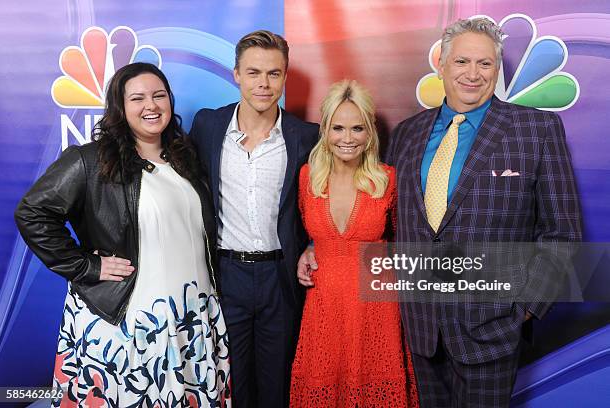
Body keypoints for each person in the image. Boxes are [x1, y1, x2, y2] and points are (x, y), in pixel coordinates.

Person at [384, 18, 582, 407]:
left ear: (497, 69)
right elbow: (394, 223)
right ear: (441, 65)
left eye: (485, 64)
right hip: (421, 328)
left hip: (492, 329)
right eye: (461, 62)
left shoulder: (536, 129)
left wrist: (525, 308)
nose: (472, 74)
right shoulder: (406, 133)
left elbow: (563, 231)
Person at [14, 62, 230, 407]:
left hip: (190, 319)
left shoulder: (184, 158)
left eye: (159, 95)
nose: (151, 105)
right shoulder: (92, 160)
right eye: (138, 98)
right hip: (130, 323)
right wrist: (87, 267)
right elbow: (32, 212)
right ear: (120, 107)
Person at [188, 30, 319, 407]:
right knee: (231, 379)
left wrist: (311, 245)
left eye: (274, 73)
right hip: (226, 274)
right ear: (236, 75)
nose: (263, 83)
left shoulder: (305, 136)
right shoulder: (208, 127)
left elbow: (323, 201)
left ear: (285, 76)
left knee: (277, 381)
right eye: (254, 72)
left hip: (281, 277)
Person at [290, 80, 419, 407]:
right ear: (325, 130)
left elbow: (405, 240)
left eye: (357, 128)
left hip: (376, 309)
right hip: (324, 308)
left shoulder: (387, 179)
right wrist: (308, 249)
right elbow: (309, 235)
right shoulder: (308, 177)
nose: (347, 138)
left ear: (370, 133)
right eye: (338, 128)